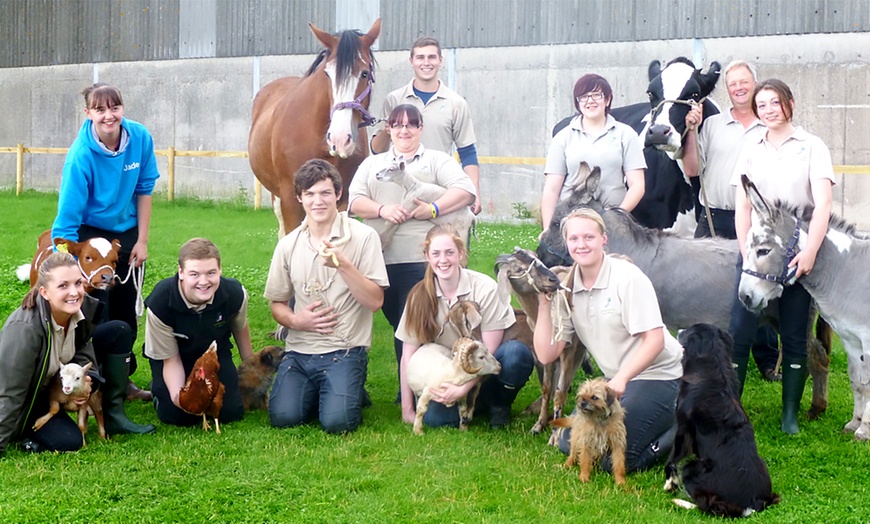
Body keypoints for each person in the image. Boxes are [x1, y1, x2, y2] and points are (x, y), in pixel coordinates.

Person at [534, 208, 682, 473]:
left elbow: (655, 340)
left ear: (604, 239)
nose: (581, 244)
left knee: (614, 458)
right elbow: (547, 354)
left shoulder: (627, 277)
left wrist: (621, 379)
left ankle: (683, 423)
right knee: (571, 444)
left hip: (660, 375)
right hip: (617, 386)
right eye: (574, 238)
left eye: (589, 237)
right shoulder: (567, 289)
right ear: (566, 243)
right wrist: (544, 306)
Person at [729, 79, 835, 434]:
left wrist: (810, 252)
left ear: (790, 102)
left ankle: (789, 414)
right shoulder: (751, 147)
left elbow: (823, 204)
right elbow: (742, 205)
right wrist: (747, 253)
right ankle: (731, 406)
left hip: (794, 252)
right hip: (758, 251)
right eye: (762, 105)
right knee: (740, 330)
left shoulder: (812, 146)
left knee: (794, 334)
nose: (769, 110)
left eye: (775, 102)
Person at [349, 104, 476, 392]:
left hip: (422, 261)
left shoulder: (437, 160)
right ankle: (412, 385)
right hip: (379, 260)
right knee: (399, 325)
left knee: (415, 325)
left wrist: (433, 209)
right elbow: (354, 200)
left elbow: (465, 191)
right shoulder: (372, 164)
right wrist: (382, 210)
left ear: (420, 129)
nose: (404, 130)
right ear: (389, 130)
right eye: (397, 125)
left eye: (410, 125)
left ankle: (418, 389)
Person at [51, 82, 160, 401]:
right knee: (99, 313)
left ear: (122, 108)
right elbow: (67, 218)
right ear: (88, 114)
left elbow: (145, 188)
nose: (109, 115)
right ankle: (91, 383)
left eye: (114, 108)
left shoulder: (139, 137)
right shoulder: (80, 156)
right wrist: (67, 264)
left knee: (127, 311)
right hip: (87, 236)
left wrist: (142, 240)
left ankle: (122, 383)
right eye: (100, 110)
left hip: (125, 234)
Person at [265, 159, 389, 433]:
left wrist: (344, 265)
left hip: (344, 350)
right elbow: (277, 303)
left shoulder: (364, 237)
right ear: (299, 198)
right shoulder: (288, 245)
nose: (317, 201)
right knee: (283, 417)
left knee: (338, 423)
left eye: (324, 193)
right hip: (299, 351)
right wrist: (297, 322)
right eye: (309, 194)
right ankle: (327, 390)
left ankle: (344, 386)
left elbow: (375, 302)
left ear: (338, 194)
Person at [682, 60, 781, 383]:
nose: (738, 88)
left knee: (756, 282)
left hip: (755, 219)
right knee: (701, 285)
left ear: (755, 83)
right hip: (714, 217)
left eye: (744, 82)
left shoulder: (770, 125)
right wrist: (691, 131)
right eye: (732, 83)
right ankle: (703, 353)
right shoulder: (711, 125)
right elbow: (693, 169)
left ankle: (766, 360)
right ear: (727, 89)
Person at [0, 253, 155, 456]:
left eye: (78, 283)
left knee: (119, 329)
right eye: (63, 286)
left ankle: (113, 416)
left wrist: (88, 385)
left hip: (52, 389)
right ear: (45, 292)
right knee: (69, 440)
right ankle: (27, 440)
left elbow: (83, 353)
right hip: (27, 400)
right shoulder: (24, 329)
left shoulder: (81, 311)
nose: (74, 292)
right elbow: (10, 391)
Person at [396, 224, 535, 429]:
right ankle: (473, 406)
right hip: (448, 373)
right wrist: (407, 409)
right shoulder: (418, 297)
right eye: (436, 253)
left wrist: (463, 389)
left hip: (484, 367)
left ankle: (497, 403)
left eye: (449, 252)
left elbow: (490, 349)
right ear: (427, 256)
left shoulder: (485, 288)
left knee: (516, 354)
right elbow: (408, 356)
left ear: (461, 253)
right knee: (437, 421)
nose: (443, 260)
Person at [144, 238, 254, 427]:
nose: (203, 282)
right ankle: (157, 390)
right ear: (181, 273)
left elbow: (240, 328)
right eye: (194, 274)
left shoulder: (235, 294)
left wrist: (251, 370)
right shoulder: (160, 302)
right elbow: (171, 360)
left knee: (230, 413)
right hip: (174, 357)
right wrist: (180, 399)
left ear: (220, 270)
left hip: (214, 358)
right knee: (179, 415)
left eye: (211, 273)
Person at [371, 37, 482, 215]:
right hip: (398, 191)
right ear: (411, 61)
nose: (426, 63)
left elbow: (467, 152)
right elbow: (377, 151)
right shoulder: (394, 99)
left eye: (431, 57)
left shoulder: (456, 103)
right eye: (420, 57)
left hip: (438, 190)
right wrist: (387, 130)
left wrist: (473, 190)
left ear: (440, 61)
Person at [540, 74, 646, 238]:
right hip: (571, 223)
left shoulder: (626, 135)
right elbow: (551, 189)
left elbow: (637, 185)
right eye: (583, 96)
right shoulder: (563, 137)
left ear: (608, 99)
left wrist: (618, 215)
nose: (590, 101)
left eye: (597, 95)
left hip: (613, 225)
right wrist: (548, 230)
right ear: (577, 102)